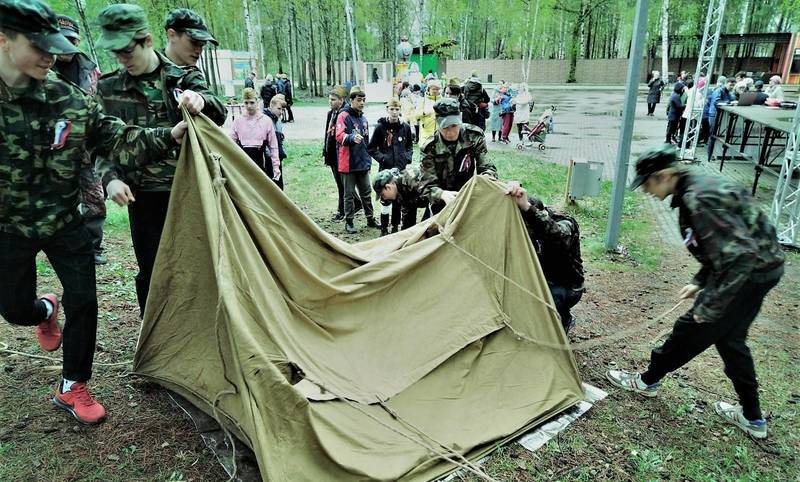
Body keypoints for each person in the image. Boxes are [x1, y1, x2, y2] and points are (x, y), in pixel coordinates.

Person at [0, 0, 188, 425]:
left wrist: (170, 134)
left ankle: (73, 385)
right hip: (9, 227)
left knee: (84, 300)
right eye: (40, 45)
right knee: (14, 309)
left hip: (66, 221)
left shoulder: (69, 99)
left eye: (56, 45)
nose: (52, 55)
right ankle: (44, 311)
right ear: (4, 40)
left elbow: (115, 139)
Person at [606, 144, 784, 440]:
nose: (646, 191)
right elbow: (719, 245)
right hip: (760, 270)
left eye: (647, 183)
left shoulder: (699, 198)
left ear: (663, 176)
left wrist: (709, 307)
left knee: (688, 329)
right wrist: (701, 279)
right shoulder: (694, 187)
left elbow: (741, 255)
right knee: (731, 341)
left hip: (748, 275)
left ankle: (647, 380)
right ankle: (753, 417)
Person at [93, 3, 227, 318]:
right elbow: (98, 143)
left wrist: (201, 100)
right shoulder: (108, 89)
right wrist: (110, 178)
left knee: (200, 264)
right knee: (152, 270)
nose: (122, 59)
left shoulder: (181, 78)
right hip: (144, 195)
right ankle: (156, 334)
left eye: (128, 51)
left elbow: (217, 112)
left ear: (147, 40)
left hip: (190, 190)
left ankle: (202, 327)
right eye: (116, 53)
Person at [51, 15, 107, 265]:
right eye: (62, 40)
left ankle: (93, 247)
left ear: (77, 41)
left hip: (87, 149)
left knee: (95, 201)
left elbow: (102, 106)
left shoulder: (91, 69)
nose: (66, 46)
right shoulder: (43, 67)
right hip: (55, 151)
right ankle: (58, 247)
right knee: (57, 200)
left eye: (71, 40)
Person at [505, 186, 584, 332]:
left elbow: (558, 236)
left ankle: (563, 321)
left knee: (549, 300)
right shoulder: (526, 228)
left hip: (567, 287)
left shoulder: (565, 223)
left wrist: (528, 209)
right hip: (542, 280)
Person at [418, 98, 497, 213]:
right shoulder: (429, 147)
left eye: (454, 125)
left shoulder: (474, 136)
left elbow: (487, 167)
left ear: (460, 117)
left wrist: (484, 180)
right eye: (445, 127)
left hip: (468, 196)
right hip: (442, 202)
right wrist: (441, 194)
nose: (450, 132)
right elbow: (426, 186)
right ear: (437, 122)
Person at [367, 99, 414, 235]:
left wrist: (407, 157)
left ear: (400, 110)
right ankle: (384, 228)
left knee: (398, 198)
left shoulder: (404, 127)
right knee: (385, 198)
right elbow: (371, 148)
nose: (394, 112)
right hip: (385, 171)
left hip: (400, 169)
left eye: (397, 109)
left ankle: (395, 227)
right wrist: (383, 157)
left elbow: (410, 146)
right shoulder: (380, 127)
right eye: (392, 109)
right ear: (387, 109)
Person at [336, 87, 378, 234]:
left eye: (363, 100)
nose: (362, 103)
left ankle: (370, 218)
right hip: (348, 163)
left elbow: (367, 142)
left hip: (363, 163)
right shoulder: (343, 116)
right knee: (349, 195)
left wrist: (368, 161)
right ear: (351, 100)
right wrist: (351, 138)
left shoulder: (364, 119)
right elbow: (339, 136)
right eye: (359, 100)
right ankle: (349, 221)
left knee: (366, 192)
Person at [229, 88, 280, 184]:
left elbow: (273, 146)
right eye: (246, 103)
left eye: (252, 102)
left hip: (260, 163)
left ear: (257, 102)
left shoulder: (266, 121)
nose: (249, 106)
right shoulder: (238, 121)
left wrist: (276, 166)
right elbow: (229, 143)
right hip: (242, 164)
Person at [323, 85, 359, 220]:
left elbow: (346, 136)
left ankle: (343, 210)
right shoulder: (330, 113)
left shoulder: (345, 114)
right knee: (340, 184)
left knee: (343, 185)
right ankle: (353, 205)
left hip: (342, 154)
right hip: (332, 153)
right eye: (329, 99)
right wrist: (325, 150)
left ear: (341, 100)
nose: (330, 102)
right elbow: (327, 135)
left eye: (333, 99)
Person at [372, 166, 430, 232]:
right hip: (428, 200)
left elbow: (435, 196)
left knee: (427, 229)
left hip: (439, 197)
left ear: (388, 187)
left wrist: (425, 225)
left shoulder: (411, 180)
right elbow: (408, 213)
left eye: (383, 195)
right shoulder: (398, 191)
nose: (384, 198)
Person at [705, 77, 735, 159]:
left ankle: (714, 154)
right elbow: (716, 102)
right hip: (714, 115)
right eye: (730, 85)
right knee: (712, 135)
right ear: (726, 83)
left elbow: (731, 99)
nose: (732, 87)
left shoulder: (727, 92)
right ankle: (709, 155)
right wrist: (729, 102)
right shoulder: (718, 91)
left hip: (720, 115)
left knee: (716, 135)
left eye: (733, 85)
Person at [262, 94, 287, 189]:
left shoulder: (278, 120)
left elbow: (280, 138)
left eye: (283, 110)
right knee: (271, 186)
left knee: (279, 185)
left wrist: (281, 152)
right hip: (268, 158)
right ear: (271, 107)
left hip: (277, 157)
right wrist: (271, 156)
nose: (281, 112)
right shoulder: (265, 120)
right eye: (279, 109)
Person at [410, 79, 441, 146]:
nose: (435, 91)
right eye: (433, 89)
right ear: (428, 89)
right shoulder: (422, 101)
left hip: (440, 133)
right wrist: (424, 113)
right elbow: (415, 115)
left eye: (437, 89)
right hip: (426, 134)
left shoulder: (442, 100)